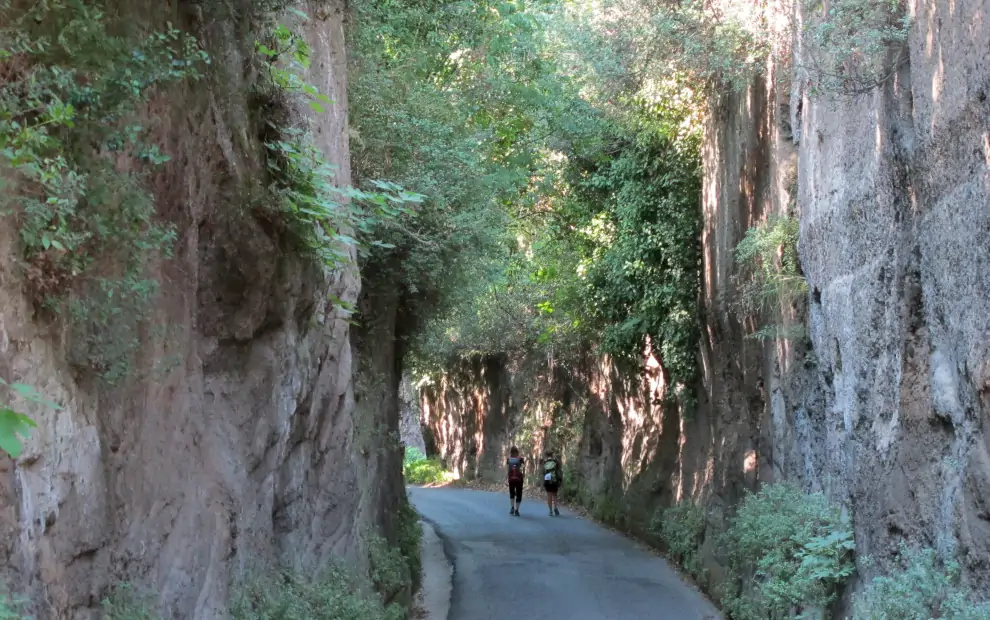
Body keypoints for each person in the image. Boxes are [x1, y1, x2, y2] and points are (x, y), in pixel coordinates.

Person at [542, 449, 562, 516]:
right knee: (555, 495)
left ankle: (550, 511)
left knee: (549, 495)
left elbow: (542, 472)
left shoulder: (544, 462)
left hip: (547, 481)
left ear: (546, 455)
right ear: (552, 454)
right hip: (554, 480)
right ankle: (555, 507)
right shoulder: (556, 461)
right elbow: (559, 469)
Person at [506, 446, 525, 516]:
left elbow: (508, 469)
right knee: (519, 493)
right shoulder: (521, 459)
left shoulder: (508, 459)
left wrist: (507, 476)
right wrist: (523, 474)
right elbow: (523, 467)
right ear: (517, 452)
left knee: (512, 493)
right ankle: (517, 510)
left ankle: (512, 507)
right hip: (519, 479)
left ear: (511, 452)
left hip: (511, 479)